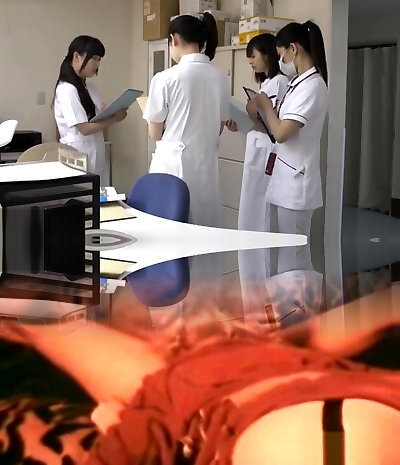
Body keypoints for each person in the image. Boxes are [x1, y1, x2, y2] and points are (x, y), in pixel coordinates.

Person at [1, 290, 400, 464]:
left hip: (335, 418)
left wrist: (116, 423)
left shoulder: (161, 391)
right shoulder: (166, 385)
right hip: (320, 424)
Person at [143, 13, 230, 227]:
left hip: (172, 167)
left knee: (168, 229)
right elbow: (218, 128)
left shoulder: (165, 78)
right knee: (203, 227)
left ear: (174, 39)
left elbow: (154, 133)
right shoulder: (220, 77)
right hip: (205, 168)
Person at [255, 21, 328, 273]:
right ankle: (292, 298)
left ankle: (300, 300)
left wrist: (265, 105)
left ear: (293, 49)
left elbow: (282, 133)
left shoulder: (313, 86)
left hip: (297, 184)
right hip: (287, 178)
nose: (281, 61)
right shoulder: (298, 83)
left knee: (295, 257)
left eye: (281, 54)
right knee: (289, 256)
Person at [226, 33, 288, 233]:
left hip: (267, 151)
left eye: (253, 56)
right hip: (257, 147)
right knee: (251, 207)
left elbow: (271, 123)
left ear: (267, 54)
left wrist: (252, 111)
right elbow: (260, 123)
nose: (250, 61)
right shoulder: (267, 83)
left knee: (261, 210)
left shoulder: (279, 82)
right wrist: (240, 124)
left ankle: (260, 253)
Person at [53, 35, 127, 185]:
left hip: (95, 151)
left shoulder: (89, 87)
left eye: (99, 59)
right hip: (77, 155)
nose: (97, 64)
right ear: (76, 56)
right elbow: (84, 128)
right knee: (83, 194)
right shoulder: (67, 89)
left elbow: (95, 116)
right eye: (94, 58)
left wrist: (112, 108)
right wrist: (115, 118)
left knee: (99, 191)